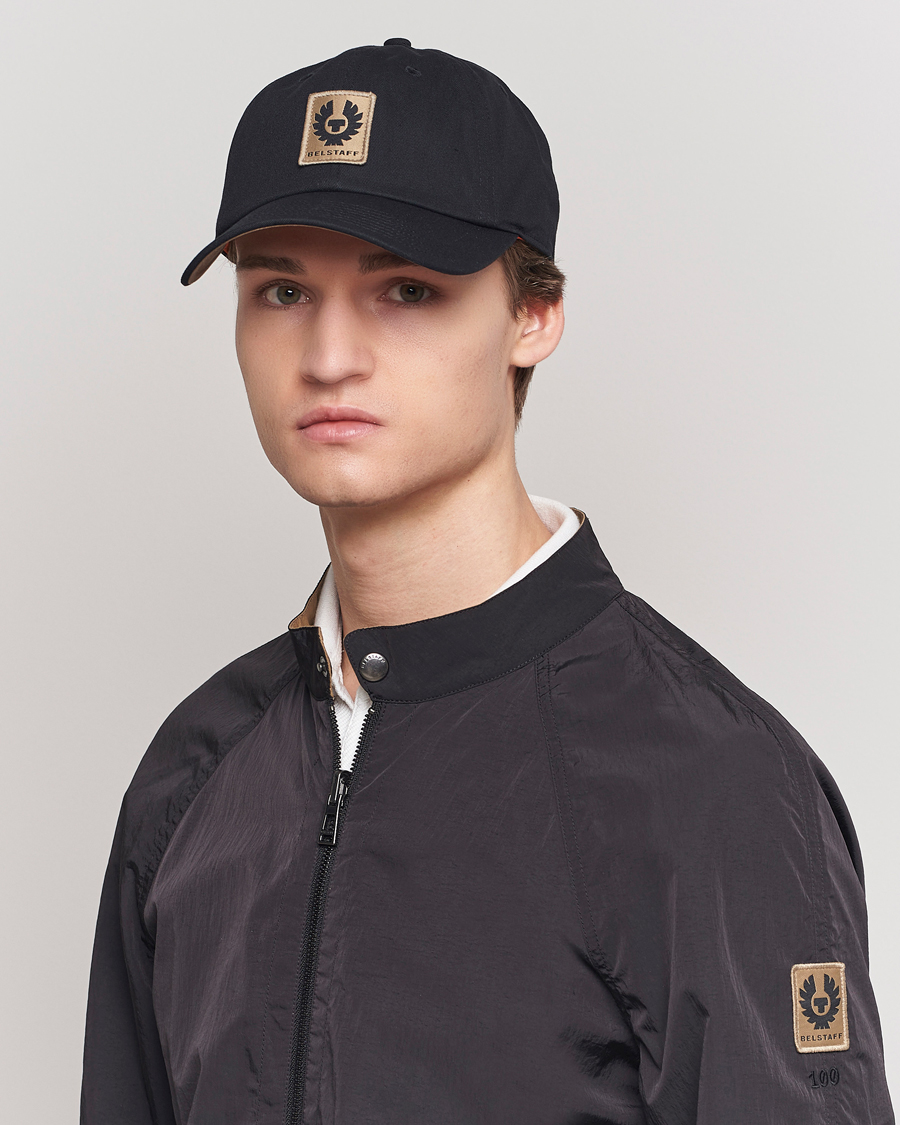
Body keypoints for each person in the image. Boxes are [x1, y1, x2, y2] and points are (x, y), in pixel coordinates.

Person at [80, 39, 895, 1125]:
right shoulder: (195, 773)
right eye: (281, 289)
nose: (328, 355)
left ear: (533, 315)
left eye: (406, 290)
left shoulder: (714, 781)